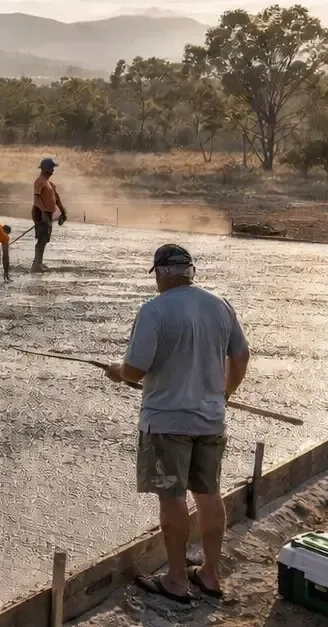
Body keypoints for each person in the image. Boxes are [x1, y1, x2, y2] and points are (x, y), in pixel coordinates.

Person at [105, 243, 250, 603]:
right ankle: (210, 575)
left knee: (172, 499)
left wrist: (117, 372)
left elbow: (136, 369)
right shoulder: (220, 305)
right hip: (211, 420)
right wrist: (225, 394)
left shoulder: (154, 311)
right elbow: (242, 355)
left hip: (167, 422)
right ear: (191, 272)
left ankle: (175, 581)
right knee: (209, 495)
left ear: (159, 274)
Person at [31, 156, 67, 272]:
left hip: (48, 213)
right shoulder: (39, 182)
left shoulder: (49, 183)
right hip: (40, 213)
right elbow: (37, 199)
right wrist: (43, 213)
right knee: (42, 238)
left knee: (45, 238)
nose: (52, 171)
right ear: (45, 169)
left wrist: (63, 212)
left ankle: (39, 262)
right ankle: (36, 264)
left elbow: (56, 198)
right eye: (51, 168)